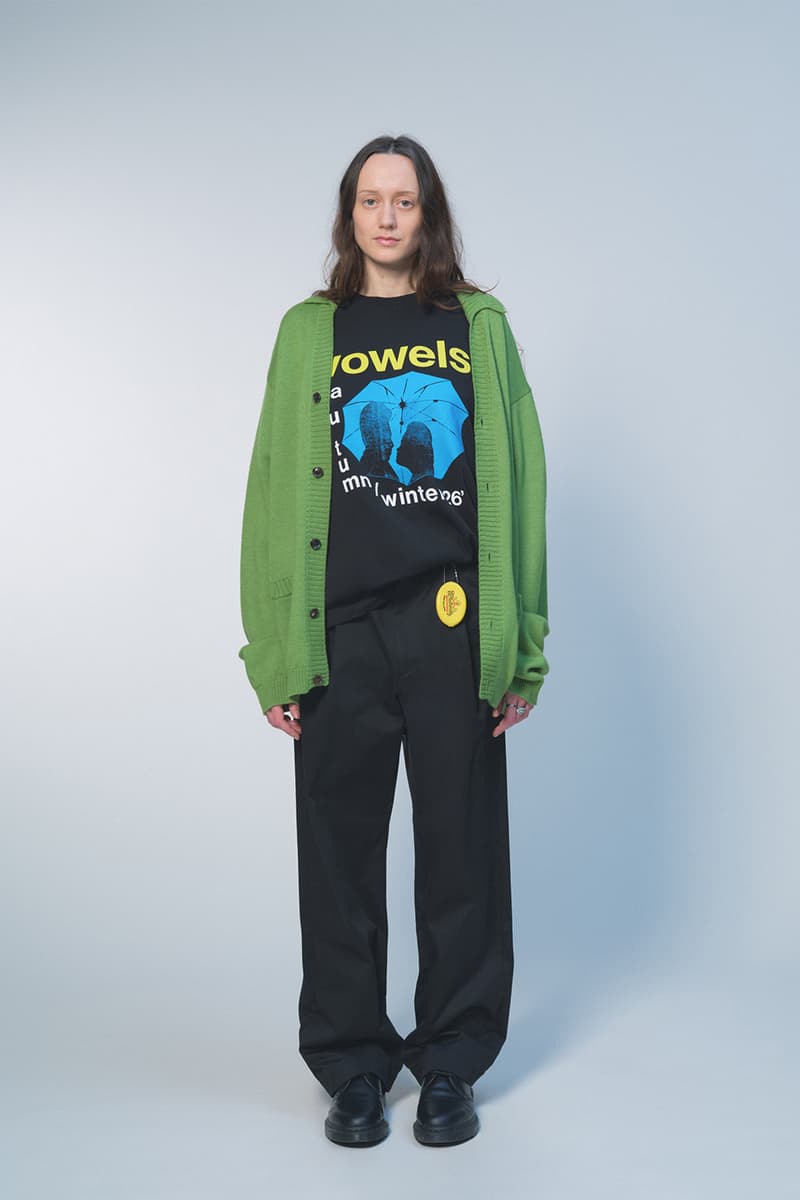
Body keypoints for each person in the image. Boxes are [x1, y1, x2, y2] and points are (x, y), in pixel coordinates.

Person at [238, 134, 550, 1147]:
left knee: (461, 847)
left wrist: (523, 644)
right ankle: (354, 1066)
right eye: (369, 199)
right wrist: (271, 651)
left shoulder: (476, 326)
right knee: (337, 852)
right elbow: (270, 488)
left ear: (428, 214)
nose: (385, 216)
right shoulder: (308, 331)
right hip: (339, 631)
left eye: (403, 200)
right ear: (349, 214)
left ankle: (451, 1060)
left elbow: (523, 483)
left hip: (452, 622)